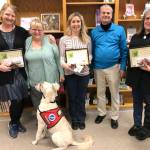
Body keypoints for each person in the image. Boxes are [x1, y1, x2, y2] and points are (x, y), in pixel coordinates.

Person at [91, 4, 128, 129]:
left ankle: (114, 116)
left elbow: (124, 50)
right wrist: (91, 67)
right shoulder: (94, 32)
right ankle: (101, 113)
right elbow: (91, 50)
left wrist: (123, 67)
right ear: (99, 15)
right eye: (103, 13)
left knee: (114, 92)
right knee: (100, 92)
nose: (106, 15)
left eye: (108, 13)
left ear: (111, 15)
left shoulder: (119, 29)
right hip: (97, 67)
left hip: (114, 67)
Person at [0, 3, 29, 138]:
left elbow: (35, 39)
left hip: (20, 72)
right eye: (7, 14)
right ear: (1, 15)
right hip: (5, 72)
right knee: (15, 99)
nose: (10, 17)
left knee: (21, 98)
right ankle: (13, 123)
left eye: (12, 15)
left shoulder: (22, 31)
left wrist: (49, 39)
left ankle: (16, 121)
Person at [59, 12, 92, 130]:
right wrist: (66, 66)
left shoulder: (87, 39)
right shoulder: (64, 39)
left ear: (81, 23)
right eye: (73, 21)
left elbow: (90, 56)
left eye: (78, 21)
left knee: (81, 97)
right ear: (70, 23)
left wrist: (86, 61)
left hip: (84, 73)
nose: (76, 24)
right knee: (72, 97)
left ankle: (81, 119)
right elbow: (61, 58)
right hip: (70, 73)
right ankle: (74, 119)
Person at [25, 18, 64, 110]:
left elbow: (57, 58)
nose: (37, 32)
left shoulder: (50, 39)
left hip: (51, 80)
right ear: (30, 30)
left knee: (52, 104)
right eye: (34, 29)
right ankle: (41, 122)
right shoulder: (27, 41)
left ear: (44, 30)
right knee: (38, 105)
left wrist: (61, 73)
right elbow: (25, 61)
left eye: (39, 29)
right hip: (34, 80)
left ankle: (53, 123)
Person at [126, 8, 150, 140]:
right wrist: (129, 79)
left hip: (149, 78)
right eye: (147, 18)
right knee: (137, 102)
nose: (149, 21)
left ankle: (146, 128)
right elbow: (130, 58)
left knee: (149, 104)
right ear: (143, 20)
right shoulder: (135, 37)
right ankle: (137, 125)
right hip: (137, 78)